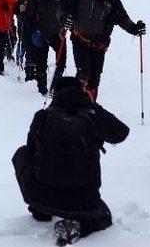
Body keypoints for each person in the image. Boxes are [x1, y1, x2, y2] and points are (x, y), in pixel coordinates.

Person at [12, 77, 129, 245]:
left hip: (41, 196)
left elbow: (31, 148)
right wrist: (95, 109)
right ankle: (81, 224)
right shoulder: (92, 114)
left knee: (22, 153)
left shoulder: (43, 116)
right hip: (84, 200)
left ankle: (40, 210)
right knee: (103, 216)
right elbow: (121, 133)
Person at [61, 0, 146, 102]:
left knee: (94, 80)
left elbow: (122, 18)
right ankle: (75, 103)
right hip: (80, 41)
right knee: (84, 73)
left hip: (100, 46)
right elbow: (63, 9)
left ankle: (90, 107)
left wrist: (135, 29)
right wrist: (65, 19)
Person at [24, 0, 67, 95]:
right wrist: (33, 31)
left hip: (57, 33)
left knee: (61, 61)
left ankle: (54, 87)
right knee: (41, 63)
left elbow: (70, 10)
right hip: (40, 34)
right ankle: (42, 87)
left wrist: (66, 24)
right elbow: (28, 18)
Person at [15, 0, 43, 81]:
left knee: (38, 48)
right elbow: (16, 8)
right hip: (27, 24)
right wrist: (20, 10)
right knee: (28, 47)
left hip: (41, 25)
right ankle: (29, 74)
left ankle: (37, 72)